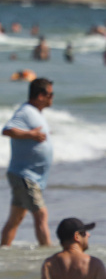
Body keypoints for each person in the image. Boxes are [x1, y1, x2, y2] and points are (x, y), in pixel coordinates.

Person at [1, 78, 54, 247]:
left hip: (29, 175)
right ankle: (50, 257)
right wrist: (31, 135)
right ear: (40, 96)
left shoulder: (36, 113)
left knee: (16, 218)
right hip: (25, 175)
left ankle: (3, 252)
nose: (52, 98)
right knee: (41, 214)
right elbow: (7, 130)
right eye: (50, 94)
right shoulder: (25, 111)